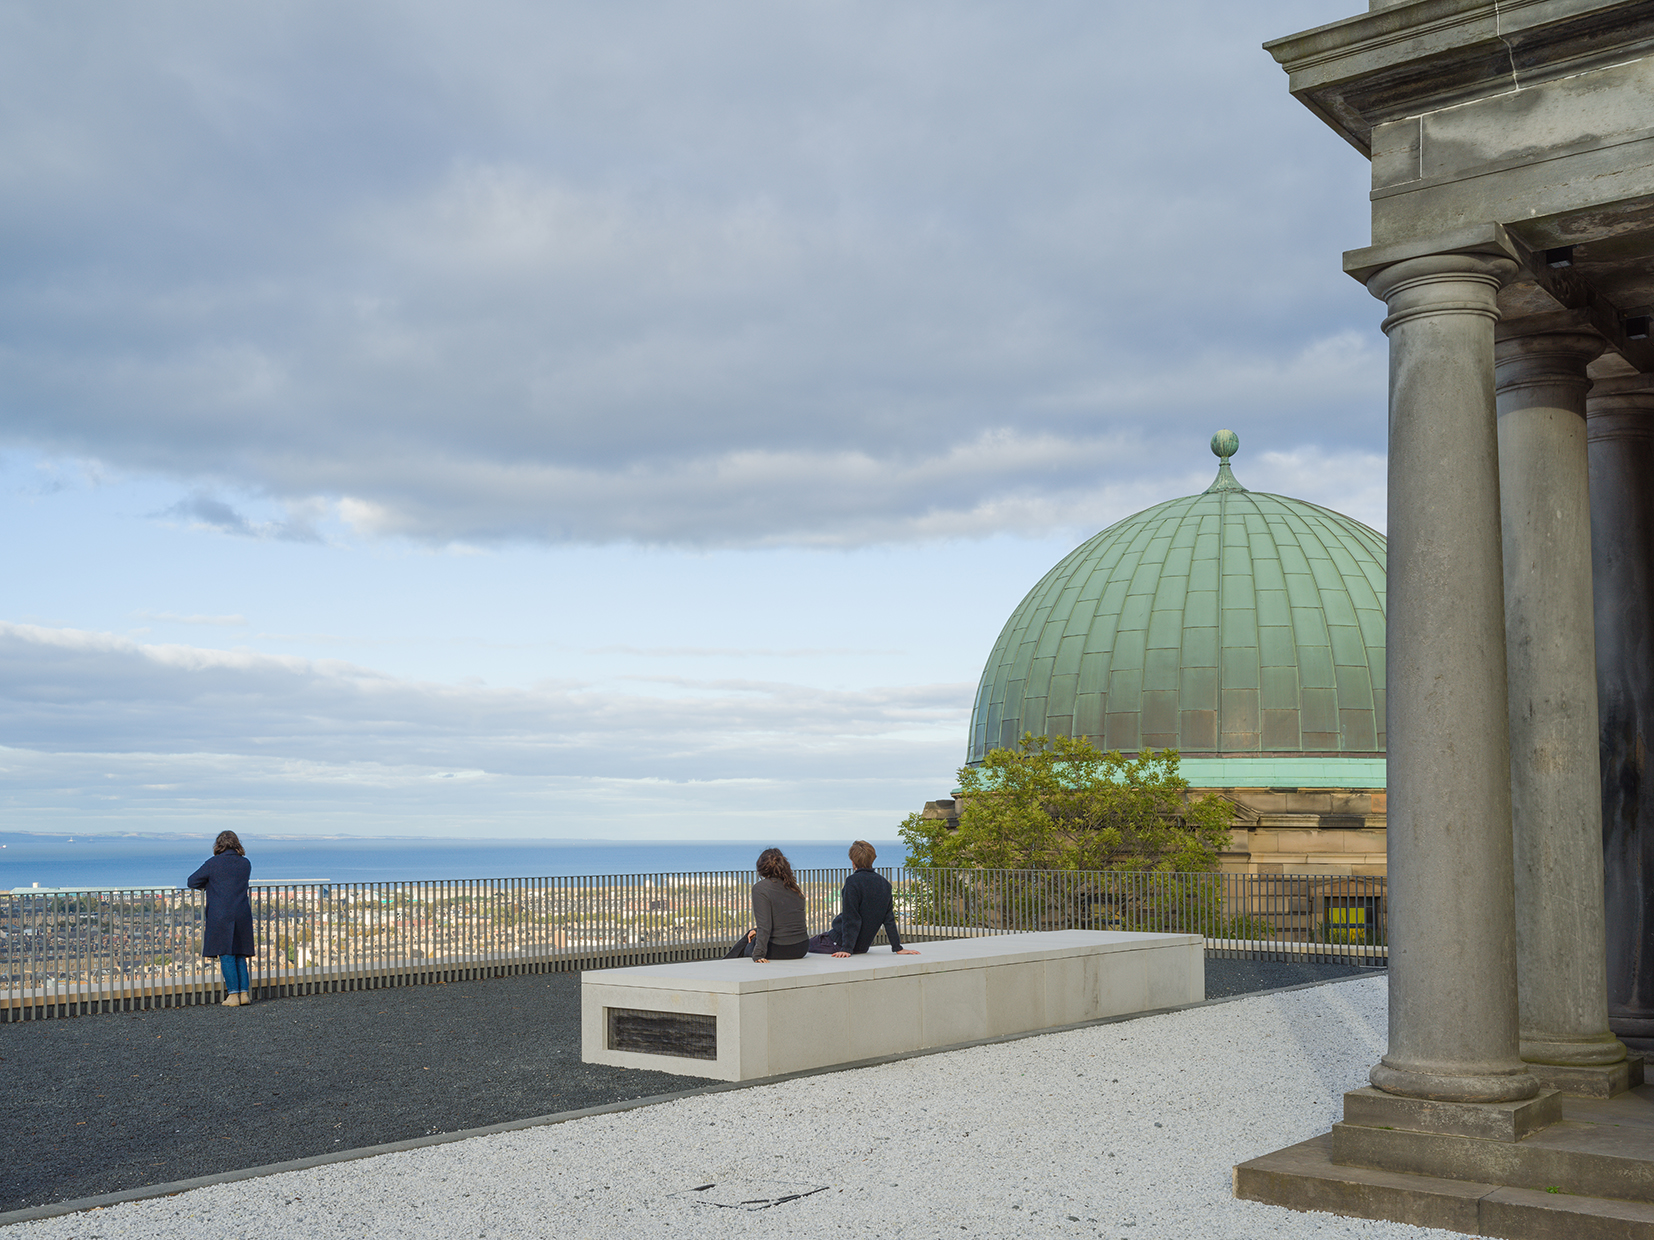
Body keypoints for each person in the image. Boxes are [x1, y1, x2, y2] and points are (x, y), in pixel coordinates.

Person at [810, 840, 920, 958]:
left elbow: (851, 917)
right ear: (873, 859)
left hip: (838, 942)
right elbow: (889, 919)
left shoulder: (852, 882)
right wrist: (897, 947)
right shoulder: (884, 884)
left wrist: (846, 948)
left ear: (852, 861)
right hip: (862, 946)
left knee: (802, 946)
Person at [187, 830, 255, 1007]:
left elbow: (192, 881)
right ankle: (244, 994)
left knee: (226, 953)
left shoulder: (213, 864)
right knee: (240, 954)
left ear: (218, 845)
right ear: (237, 844)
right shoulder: (245, 864)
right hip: (242, 912)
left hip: (221, 914)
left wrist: (210, 884)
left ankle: (233, 995)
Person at [742, 847, 810, 963]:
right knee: (751, 935)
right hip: (801, 947)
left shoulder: (760, 889)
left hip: (780, 949)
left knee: (745, 944)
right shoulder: (793, 888)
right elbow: (784, 921)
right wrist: (756, 930)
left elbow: (765, 926)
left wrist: (758, 955)